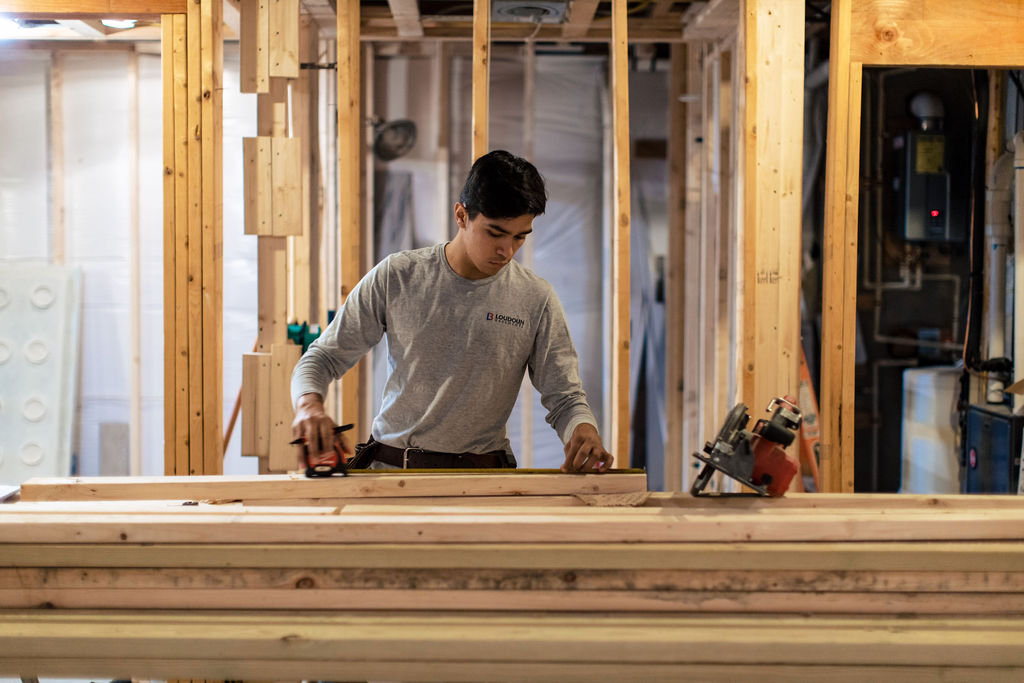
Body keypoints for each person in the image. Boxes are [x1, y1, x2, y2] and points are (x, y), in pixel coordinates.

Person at [290, 150, 613, 473]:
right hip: (392, 473)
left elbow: (565, 397)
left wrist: (582, 429)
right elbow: (323, 358)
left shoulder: (535, 298)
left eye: (520, 237)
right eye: (495, 233)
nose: (507, 251)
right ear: (461, 216)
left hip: (483, 480)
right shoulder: (398, 276)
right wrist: (308, 406)